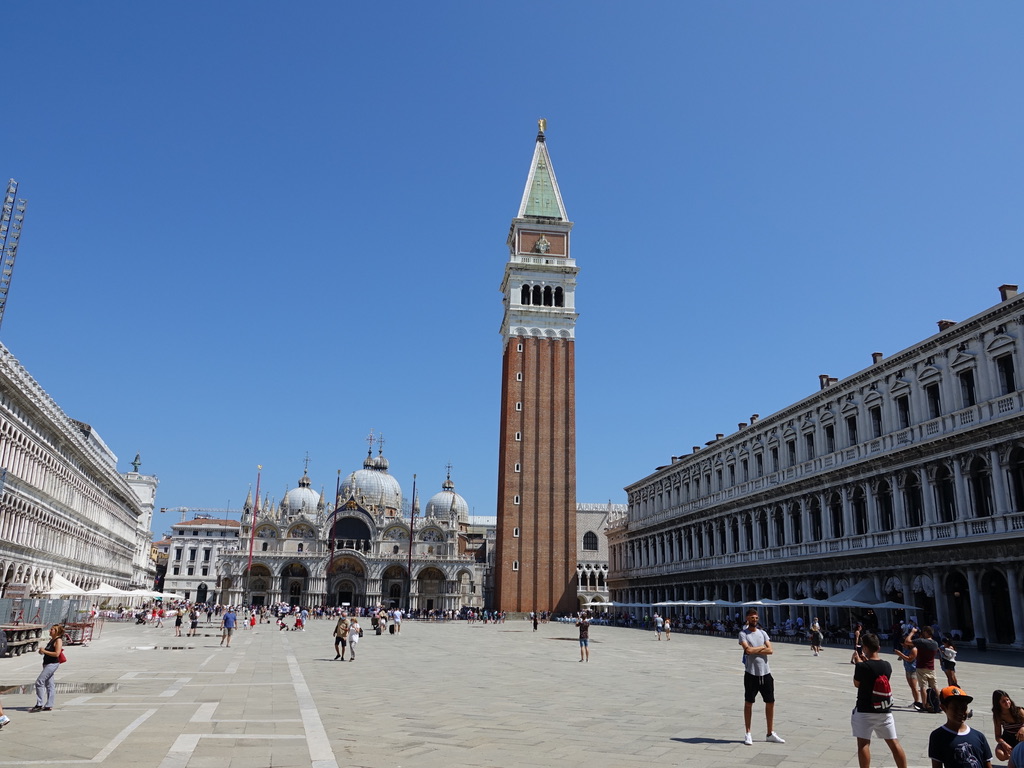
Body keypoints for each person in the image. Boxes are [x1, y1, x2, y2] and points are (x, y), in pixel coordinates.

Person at [852, 633, 908, 768]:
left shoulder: (862, 666)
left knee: (863, 744)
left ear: (865, 648)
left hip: (865, 709)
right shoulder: (887, 665)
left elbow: (857, 684)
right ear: (878, 647)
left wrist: (859, 663)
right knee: (894, 743)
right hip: (884, 709)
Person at [739, 608, 785, 745]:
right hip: (751, 673)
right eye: (752, 617)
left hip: (766, 673)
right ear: (747, 618)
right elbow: (747, 650)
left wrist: (755, 649)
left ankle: (770, 733)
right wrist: (761, 648)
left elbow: (770, 650)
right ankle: (748, 733)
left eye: (756, 618)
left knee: (770, 702)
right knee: (749, 703)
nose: (754, 620)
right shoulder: (743, 634)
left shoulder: (763, 633)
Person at [928, 686, 992, 768]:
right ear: (943, 708)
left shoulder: (979, 736)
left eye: (964, 707)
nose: (961, 711)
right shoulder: (938, 736)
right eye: (955, 708)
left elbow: (987, 764)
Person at [905, 625, 940, 711]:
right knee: (935, 686)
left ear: (926, 632)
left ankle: (924, 705)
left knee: (923, 686)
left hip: (921, 667)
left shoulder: (921, 641)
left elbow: (907, 641)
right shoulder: (935, 643)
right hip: (931, 667)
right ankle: (940, 704)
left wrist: (912, 632)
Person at [30, 624, 64, 712]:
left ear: (56, 631)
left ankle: (39, 704)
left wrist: (44, 651)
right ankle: (49, 705)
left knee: (39, 682)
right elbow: (49, 651)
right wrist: (42, 652)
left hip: (52, 664)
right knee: (49, 684)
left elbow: (57, 654)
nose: (49, 631)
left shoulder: (58, 640)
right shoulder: (52, 640)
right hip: (47, 664)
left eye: (52, 629)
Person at [992, 690, 1024, 762]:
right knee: (1000, 754)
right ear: (998, 703)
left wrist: (1023, 727)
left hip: (1020, 737)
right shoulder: (998, 716)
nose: (1007, 702)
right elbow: (997, 736)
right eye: (1003, 701)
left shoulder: (1019, 711)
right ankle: (1014, 759)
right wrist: (1004, 744)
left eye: (1007, 699)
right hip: (1008, 737)